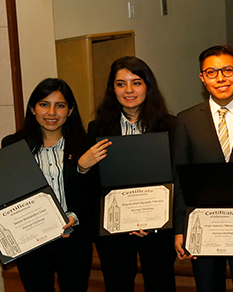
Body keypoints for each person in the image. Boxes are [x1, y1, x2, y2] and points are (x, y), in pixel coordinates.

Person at [171, 45, 233, 292]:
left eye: (227, 70)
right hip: (202, 225)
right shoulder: (186, 120)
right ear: (202, 78)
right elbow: (179, 176)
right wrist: (181, 228)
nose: (220, 78)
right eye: (212, 72)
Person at [1, 79, 109, 292]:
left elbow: (94, 193)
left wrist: (82, 172)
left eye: (60, 106)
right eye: (44, 104)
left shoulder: (86, 144)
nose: (51, 112)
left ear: (70, 111)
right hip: (32, 241)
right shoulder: (13, 145)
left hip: (74, 238)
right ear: (33, 109)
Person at [88, 56, 178, 292]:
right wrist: (82, 166)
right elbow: (92, 185)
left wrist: (152, 217)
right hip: (115, 229)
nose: (128, 90)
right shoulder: (98, 129)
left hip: (158, 228)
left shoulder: (171, 127)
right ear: (112, 88)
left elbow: (177, 179)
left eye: (136, 82)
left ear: (148, 86)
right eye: (121, 84)